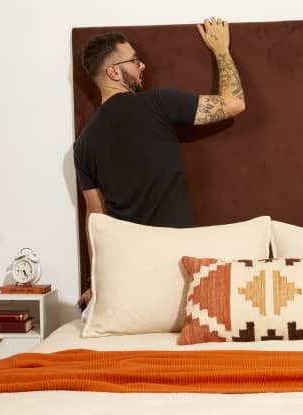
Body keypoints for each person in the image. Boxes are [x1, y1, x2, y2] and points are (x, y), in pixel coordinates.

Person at [74, 18, 246, 309]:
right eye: (134, 60)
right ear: (114, 71)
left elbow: (96, 220)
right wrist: (221, 49)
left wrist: (97, 281)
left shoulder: (83, 143)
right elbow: (234, 103)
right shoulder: (157, 104)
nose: (143, 66)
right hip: (179, 266)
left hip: (131, 272)